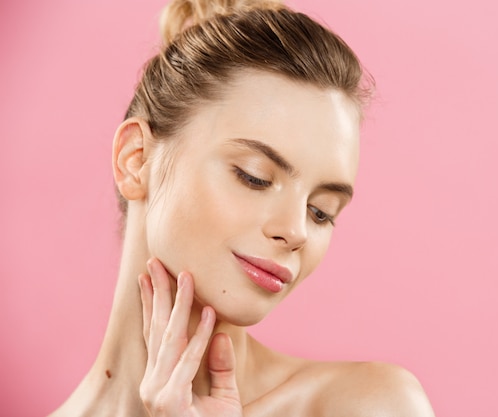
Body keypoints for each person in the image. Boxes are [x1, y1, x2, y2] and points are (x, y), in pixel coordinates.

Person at [50, 0, 435, 415]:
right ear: (137, 159)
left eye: (320, 210)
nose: (297, 231)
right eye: (255, 177)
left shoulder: (367, 405)